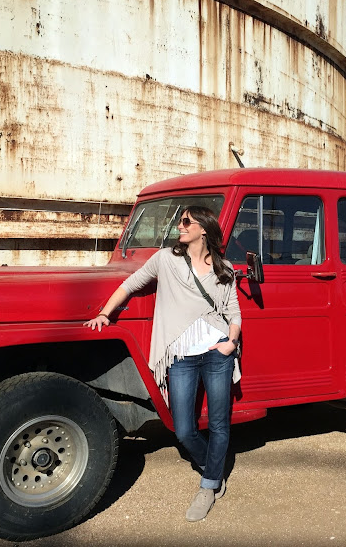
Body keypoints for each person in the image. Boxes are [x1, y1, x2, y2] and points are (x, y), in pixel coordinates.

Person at [84, 206, 242, 522]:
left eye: (186, 222)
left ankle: (209, 484)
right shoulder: (166, 260)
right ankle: (211, 464)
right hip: (180, 355)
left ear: (203, 229)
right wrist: (105, 312)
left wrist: (231, 342)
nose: (179, 226)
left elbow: (234, 312)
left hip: (217, 353)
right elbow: (131, 283)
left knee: (220, 424)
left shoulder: (224, 268)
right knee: (183, 429)